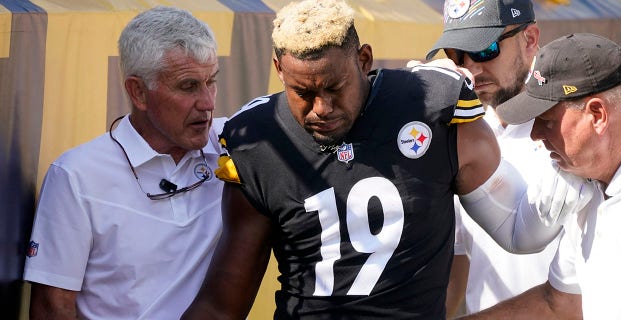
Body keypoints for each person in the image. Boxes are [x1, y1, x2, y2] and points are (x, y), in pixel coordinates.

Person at [182, 1, 591, 319]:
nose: (320, 108)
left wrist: (576, 172)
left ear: (364, 60)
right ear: (278, 71)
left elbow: (519, 232)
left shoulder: (433, 105)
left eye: (335, 87)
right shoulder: (258, 140)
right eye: (303, 93)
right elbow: (222, 305)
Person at [23, 6, 226, 319]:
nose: (209, 103)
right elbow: (53, 307)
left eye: (210, 81)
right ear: (138, 92)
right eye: (188, 86)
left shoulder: (235, 143)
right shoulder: (76, 175)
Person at [460, 33, 621, 319]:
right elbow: (559, 302)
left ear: (597, 115)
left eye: (546, 121)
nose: (535, 134)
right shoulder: (585, 184)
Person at [424, 0, 559, 317]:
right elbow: (460, 258)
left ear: (530, 40)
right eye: (457, 54)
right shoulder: (462, 137)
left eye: (485, 49)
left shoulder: (574, 130)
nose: (470, 67)